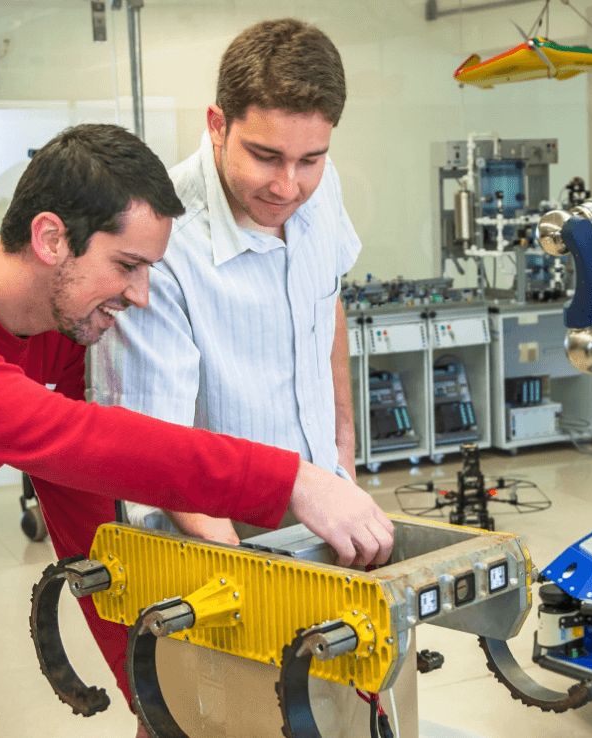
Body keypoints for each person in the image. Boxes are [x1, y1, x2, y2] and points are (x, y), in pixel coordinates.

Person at [0, 123, 393, 738]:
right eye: (127, 266)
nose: (141, 296)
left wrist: (149, 689)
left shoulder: (59, 332)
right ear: (52, 238)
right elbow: (60, 437)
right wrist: (290, 481)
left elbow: (87, 487)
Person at [51, 18, 418, 738]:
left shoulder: (319, 185)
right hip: (210, 550)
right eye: (265, 156)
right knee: (210, 720)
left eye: (311, 158)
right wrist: (248, 587)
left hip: (315, 523)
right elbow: (149, 449)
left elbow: (328, 297)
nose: (288, 185)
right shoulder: (161, 242)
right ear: (217, 124)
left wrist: (342, 455)